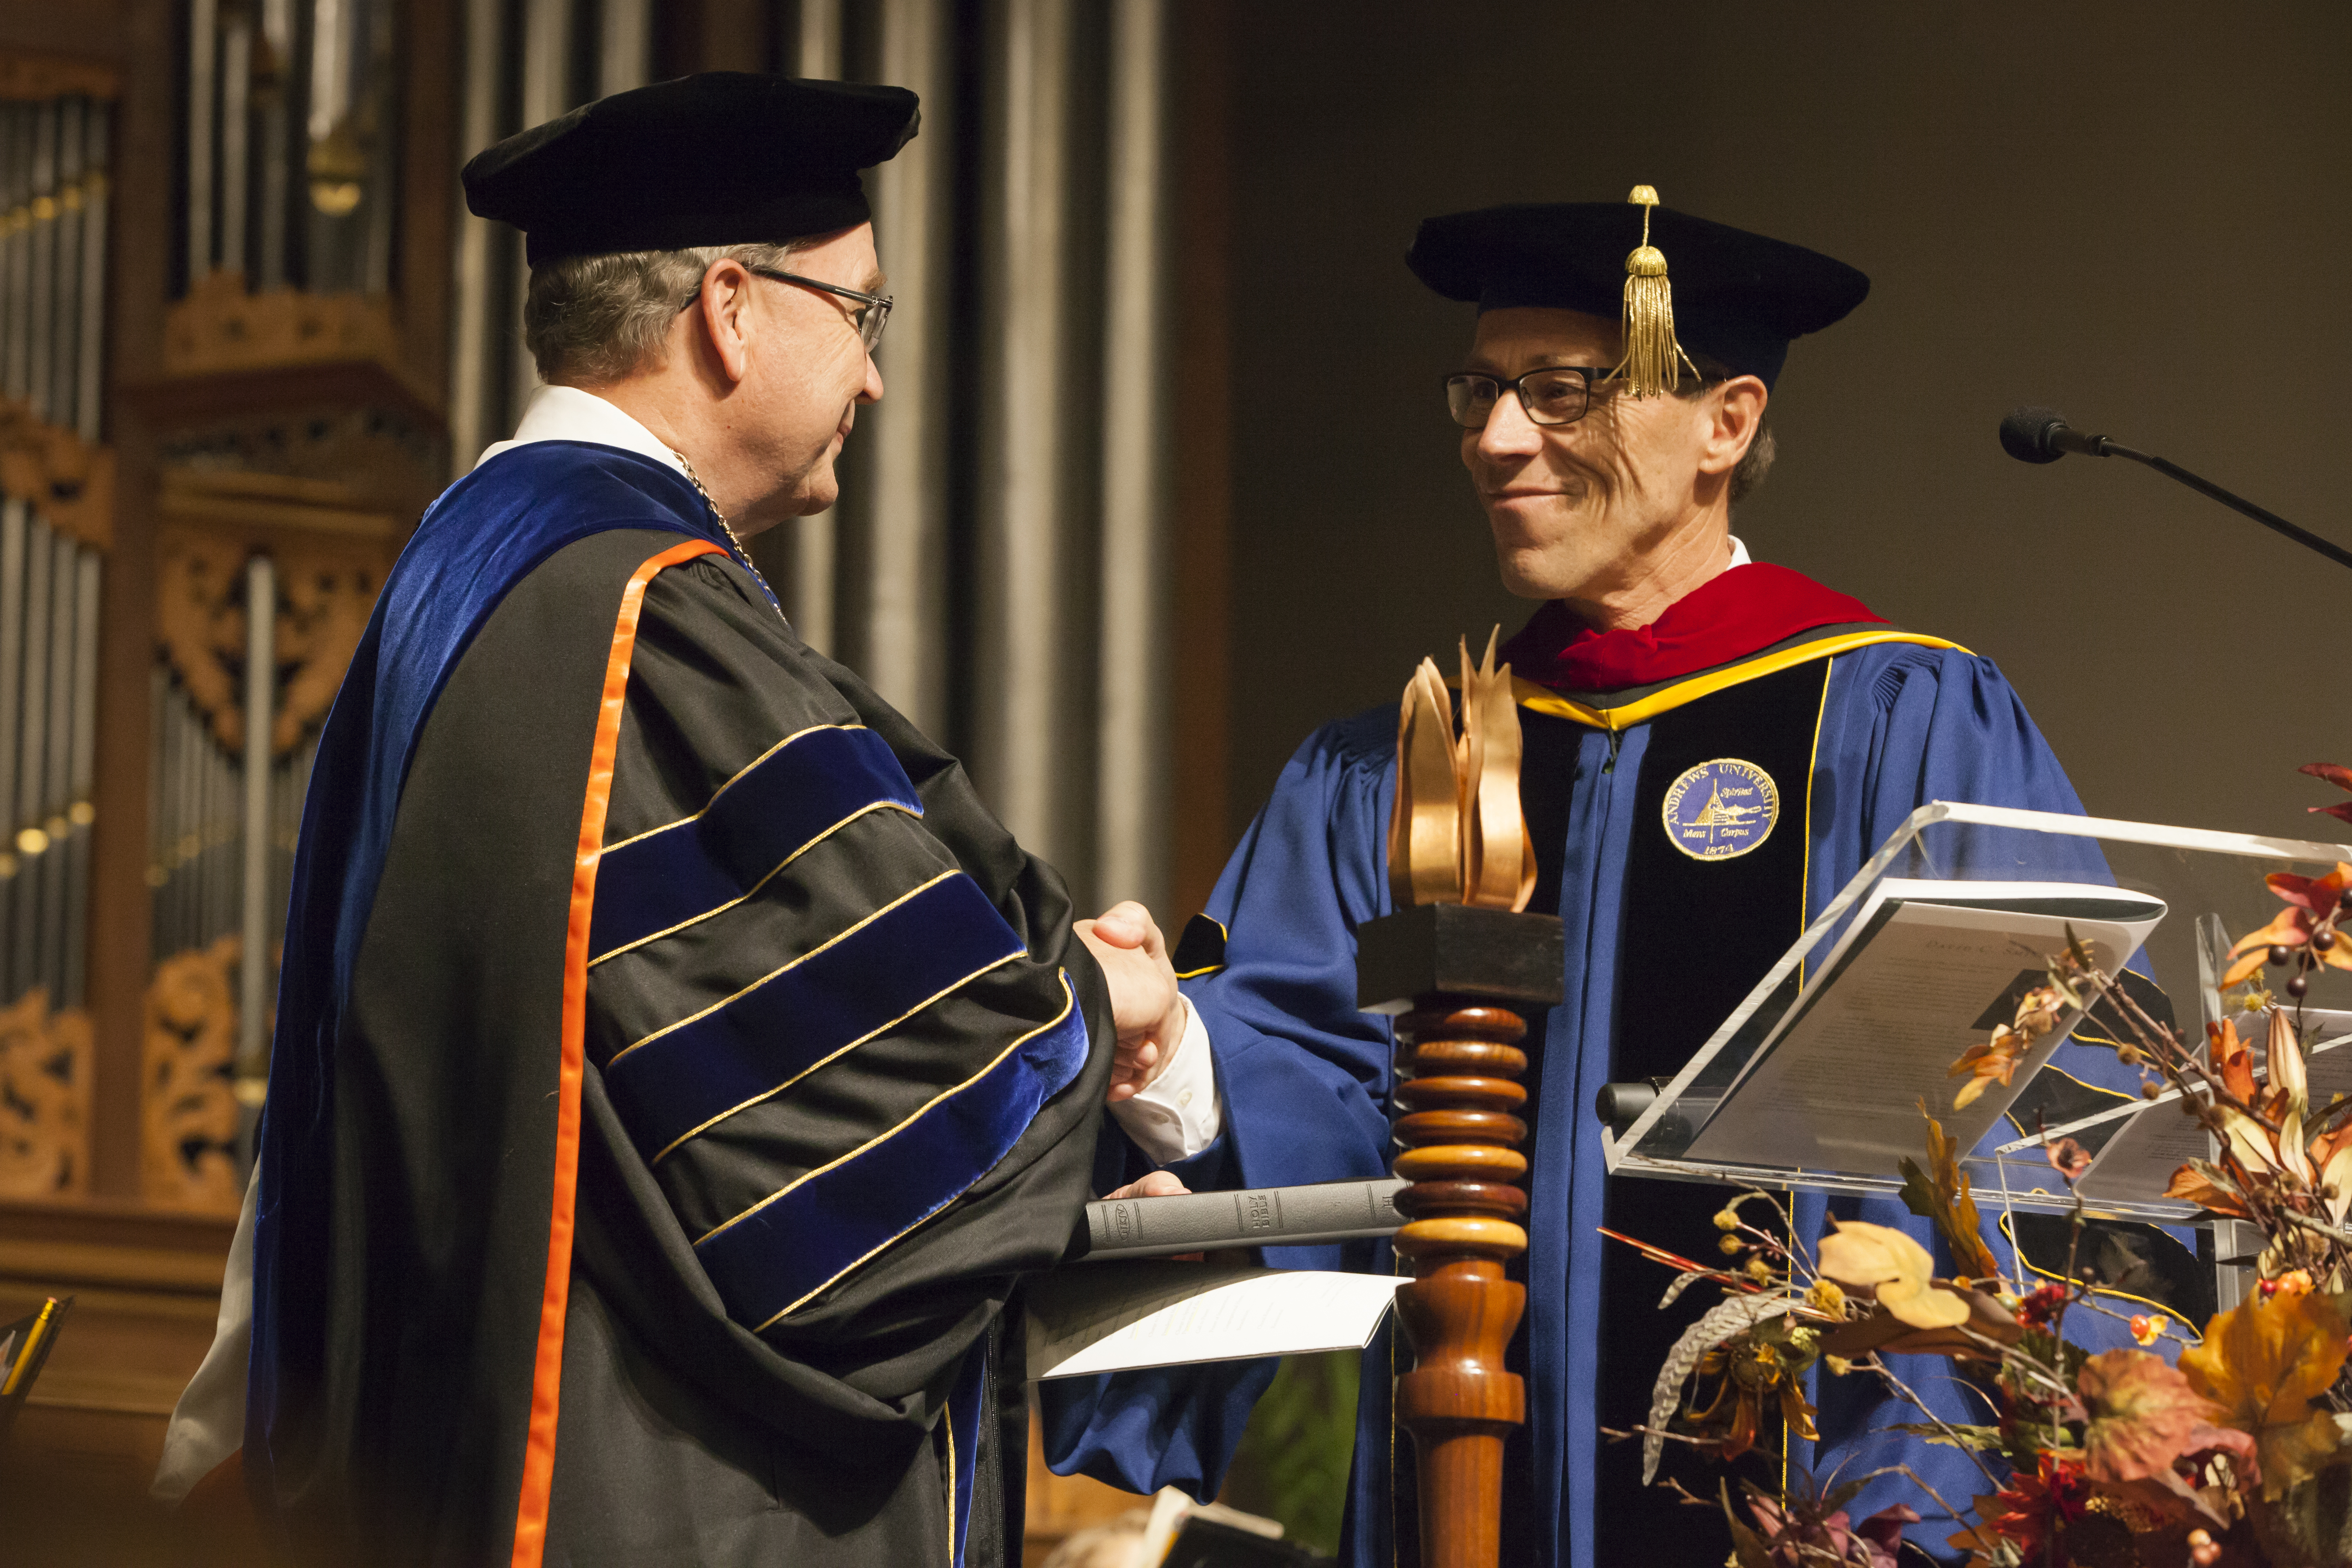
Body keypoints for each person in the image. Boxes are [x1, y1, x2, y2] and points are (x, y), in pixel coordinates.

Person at [148, 73, 1192, 1568]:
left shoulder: (465, 573)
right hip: (637, 1491)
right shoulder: (646, 614)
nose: (877, 380)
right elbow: (890, 1103)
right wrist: (1096, 1003)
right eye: (863, 317)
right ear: (730, 309)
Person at [1053, 195, 2178, 1566]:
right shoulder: (1403, 768)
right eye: (1480, 391)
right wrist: (1175, 1045)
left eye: (1564, 391)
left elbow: (2043, 1119)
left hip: (1833, 1505)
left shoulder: (1901, 722)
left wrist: (1916, 1503)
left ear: (1727, 421)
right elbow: (1319, 1083)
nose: (1497, 438)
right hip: (1466, 1502)